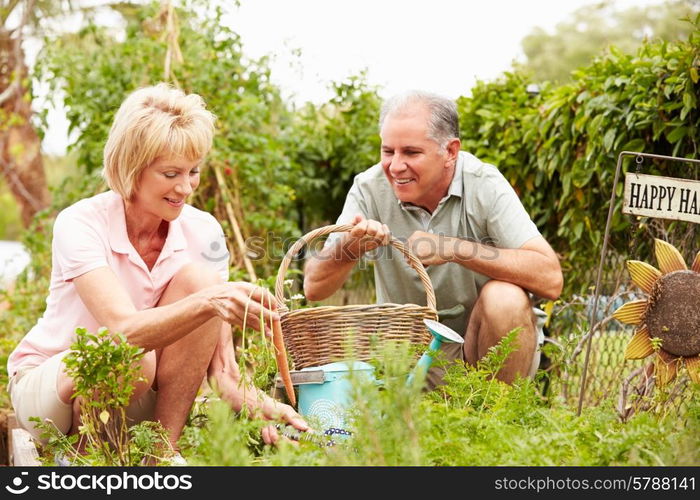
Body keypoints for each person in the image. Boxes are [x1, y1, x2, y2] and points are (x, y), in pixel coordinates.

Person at [6, 83, 307, 459]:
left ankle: (161, 455)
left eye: (193, 171)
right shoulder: (81, 222)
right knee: (133, 353)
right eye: (170, 174)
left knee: (198, 283)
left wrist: (259, 406)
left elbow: (223, 372)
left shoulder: (203, 231)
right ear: (132, 168)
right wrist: (212, 300)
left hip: (140, 392)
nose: (185, 187)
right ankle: (85, 460)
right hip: (53, 392)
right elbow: (122, 331)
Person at [303, 91, 563, 386]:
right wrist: (349, 248)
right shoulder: (368, 189)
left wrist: (454, 248)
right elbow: (313, 287)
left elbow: (550, 278)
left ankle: (495, 420)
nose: (395, 166)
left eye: (411, 153)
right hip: (406, 356)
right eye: (388, 151)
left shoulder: (484, 184)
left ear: (450, 151)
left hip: (482, 351)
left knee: (505, 298)